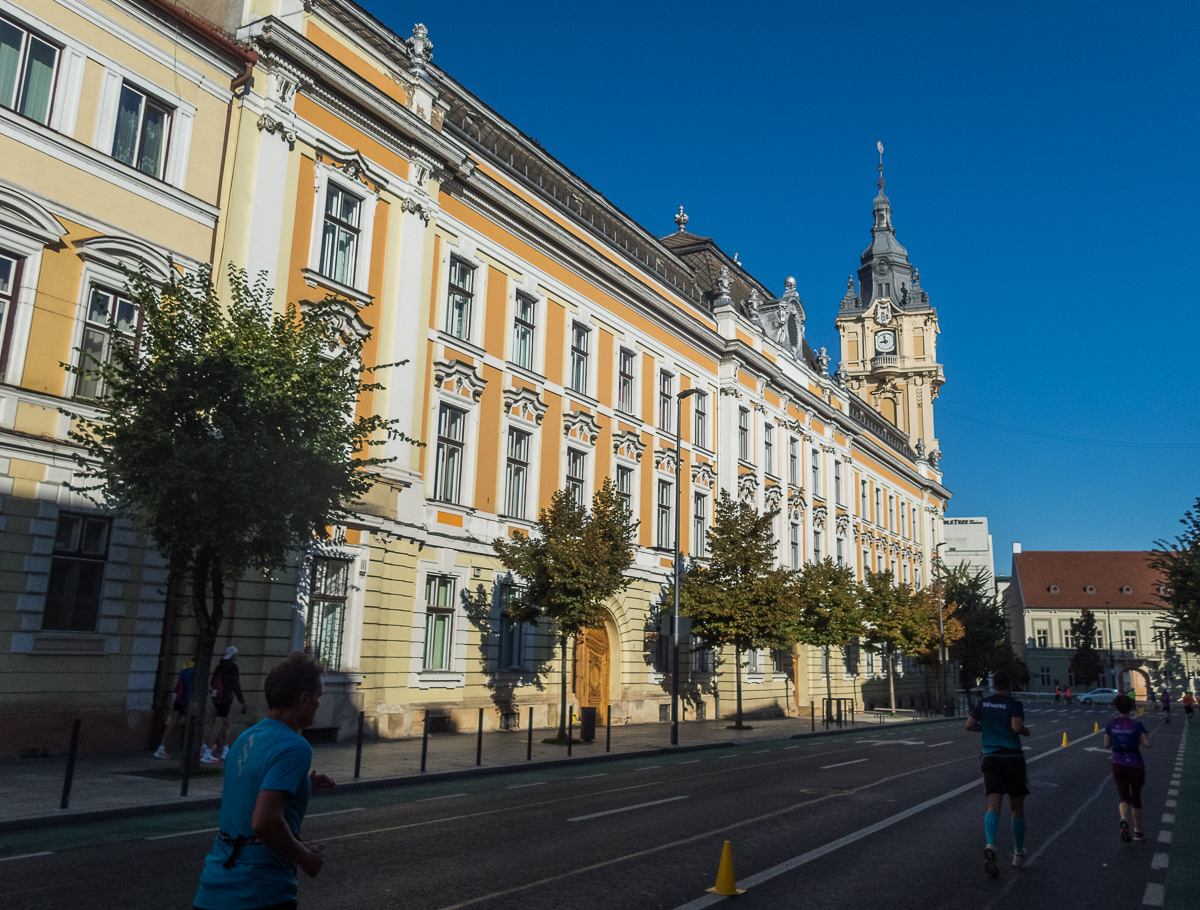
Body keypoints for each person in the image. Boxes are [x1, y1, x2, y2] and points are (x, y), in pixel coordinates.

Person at [193, 652, 335, 910]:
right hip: (258, 893)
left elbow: (247, 801)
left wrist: (300, 787)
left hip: (212, 891)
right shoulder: (295, 746)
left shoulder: (246, 738)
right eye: (318, 696)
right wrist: (305, 857)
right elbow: (264, 821)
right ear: (304, 699)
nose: (318, 703)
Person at [967, 670, 1032, 876]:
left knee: (993, 805)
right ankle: (1018, 853)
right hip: (1012, 758)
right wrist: (1025, 730)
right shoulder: (1014, 704)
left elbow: (969, 725)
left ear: (993, 686)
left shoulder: (984, 703)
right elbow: (1016, 726)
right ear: (1009, 686)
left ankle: (990, 844)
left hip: (990, 758)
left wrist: (986, 730)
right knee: (1017, 808)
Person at [1104, 694, 1151, 842]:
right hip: (1135, 763)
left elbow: (1106, 744)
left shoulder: (1111, 724)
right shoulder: (1137, 725)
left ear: (1117, 708)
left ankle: (1124, 818)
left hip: (1118, 762)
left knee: (1124, 796)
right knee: (1135, 797)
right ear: (1131, 708)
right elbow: (1147, 744)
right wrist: (1146, 740)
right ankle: (1138, 831)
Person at [204, 646, 248, 763]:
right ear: (233, 655)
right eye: (236, 654)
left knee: (226, 723)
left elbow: (212, 682)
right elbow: (236, 685)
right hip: (226, 700)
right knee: (217, 725)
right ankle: (207, 753)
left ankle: (225, 750)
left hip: (217, 699)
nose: (237, 656)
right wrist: (242, 701)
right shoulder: (233, 667)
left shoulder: (219, 666)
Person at [154, 659, 194, 759]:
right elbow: (190, 687)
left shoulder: (186, 665)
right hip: (186, 701)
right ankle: (201, 747)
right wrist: (188, 703)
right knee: (195, 722)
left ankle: (161, 747)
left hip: (178, 698)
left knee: (173, 722)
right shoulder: (194, 670)